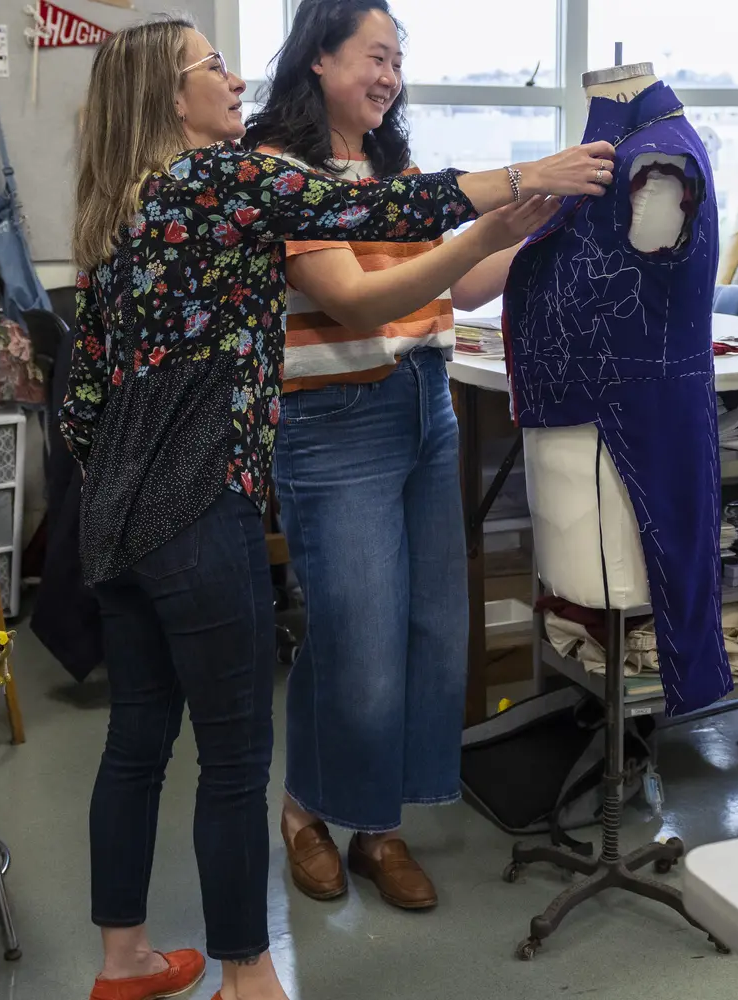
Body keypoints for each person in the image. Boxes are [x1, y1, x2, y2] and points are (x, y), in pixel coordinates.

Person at [66, 17, 614, 1000]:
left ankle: (124, 962)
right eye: (209, 66)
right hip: (200, 509)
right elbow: (392, 212)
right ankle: (249, 979)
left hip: (117, 515)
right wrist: (526, 175)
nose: (228, 81)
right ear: (167, 95)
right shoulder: (225, 182)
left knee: (138, 744)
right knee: (236, 759)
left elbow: (81, 401)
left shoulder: (113, 215)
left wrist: (123, 484)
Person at [241, 0, 551, 912]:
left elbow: (461, 281)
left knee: (429, 635)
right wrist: (480, 230)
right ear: (320, 59)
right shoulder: (277, 168)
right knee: (356, 642)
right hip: (335, 421)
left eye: (397, 61)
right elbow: (356, 303)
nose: (390, 76)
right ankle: (305, 811)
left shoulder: (390, 167)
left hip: (425, 407)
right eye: (375, 56)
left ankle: (379, 825)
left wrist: (534, 225)